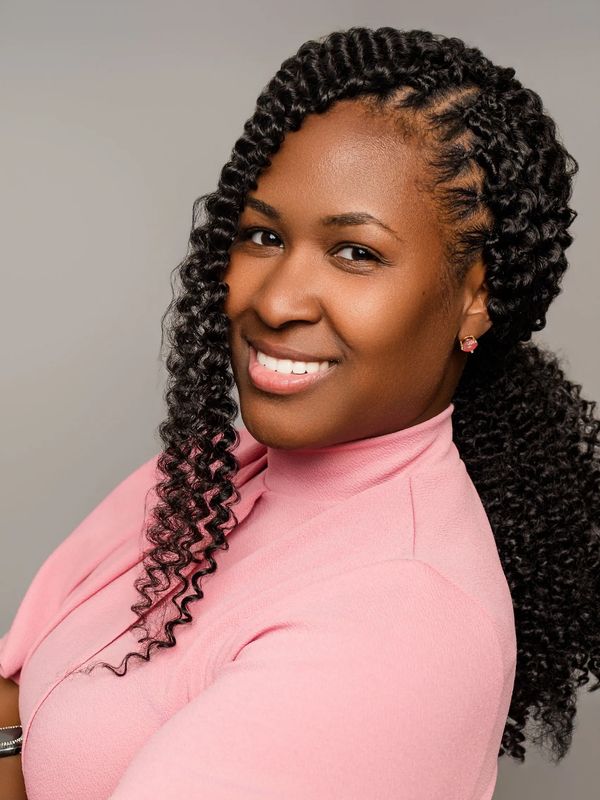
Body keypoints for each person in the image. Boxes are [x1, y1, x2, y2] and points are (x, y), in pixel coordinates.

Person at [1, 25, 598, 800]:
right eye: (262, 235)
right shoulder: (211, 475)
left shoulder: (403, 625)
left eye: (356, 253)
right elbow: (14, 684)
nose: (274, 300)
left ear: (475, 296)